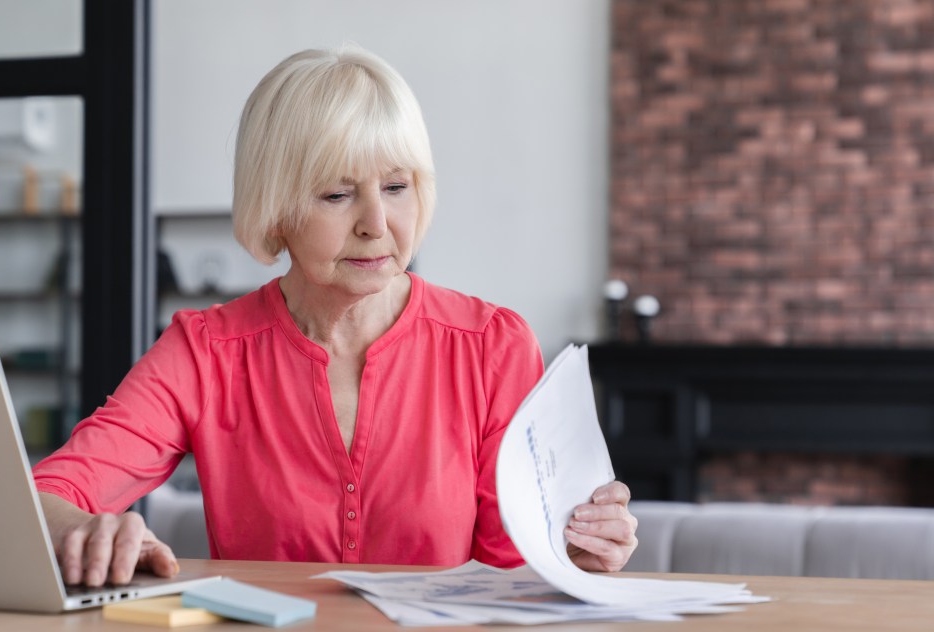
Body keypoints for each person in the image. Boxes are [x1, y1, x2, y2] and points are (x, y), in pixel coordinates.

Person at [32, 44, 638, 588]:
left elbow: (515, 569)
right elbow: (47, 494)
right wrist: (81, 532)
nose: (377, 223)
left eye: (397, 187)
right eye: (337, 195)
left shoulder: (490, 345)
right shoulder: (205, 351)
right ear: (276, 210)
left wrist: (575, 552)